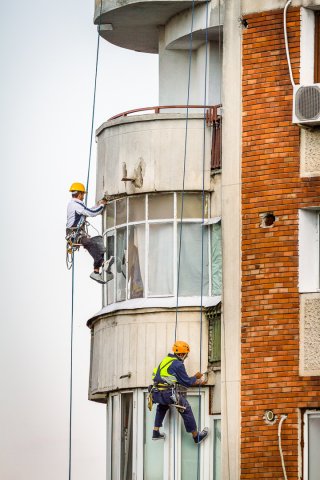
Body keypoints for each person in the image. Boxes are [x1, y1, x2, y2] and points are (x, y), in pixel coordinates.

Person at [151, 341, 209, 444]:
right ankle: (196, 437)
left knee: (162, 406)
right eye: (186, 355)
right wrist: (197, 378)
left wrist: (191, 377)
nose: (186, 357)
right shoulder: (178, 364)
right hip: (167, 393)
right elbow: (186, 382)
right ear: (182, 354)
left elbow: (171, 377)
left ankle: (155, 431)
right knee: (186, 408)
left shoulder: (166, 360)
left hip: (156, 392)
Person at [66, 182, 110, 284]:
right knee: (88, 243)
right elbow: (91, 213)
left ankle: (96, 271)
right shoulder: (75, 205)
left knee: (98, 243)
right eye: (83, 194)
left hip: (77, 233)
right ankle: (103, 263)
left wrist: (98, 204)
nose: (83, 197)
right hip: (74, 234)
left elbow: (88, 210)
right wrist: (102, 206)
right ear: (80, 194)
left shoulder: (75, 204)